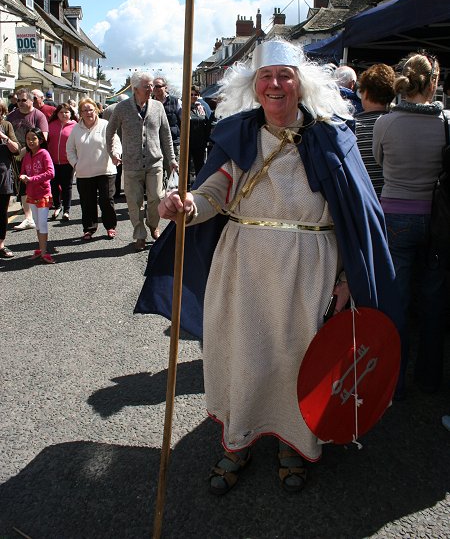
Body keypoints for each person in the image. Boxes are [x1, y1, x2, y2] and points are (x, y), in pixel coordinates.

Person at [136, 39, 399, 495]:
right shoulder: (237, 134)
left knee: (298, 361)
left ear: (301, 83)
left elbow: (355, 216)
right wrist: (186, 206)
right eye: (266, 77)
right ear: (254, 86)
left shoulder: (332, 136)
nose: (275, 84)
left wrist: (345, 279)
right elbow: (215, 192)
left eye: (284, 75)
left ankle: (294, 444)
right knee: (242, 356)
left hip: (309, 269)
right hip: (243, 265)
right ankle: (238, 440)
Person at [373, 52, 448, 398]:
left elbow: (379, 160)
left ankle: (394, 381)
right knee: (434, 301)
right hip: (435, 219)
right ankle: (430, 378)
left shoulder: (385, 123)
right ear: (433, 82)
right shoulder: (445, 123)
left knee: (398, 301)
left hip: (394, 216)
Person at [106, 71, 177, 252]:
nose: (151, 89)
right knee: (134, 202)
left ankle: (153, 225)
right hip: (131, 164)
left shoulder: (158, 107)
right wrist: (113, 152)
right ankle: (139, 234)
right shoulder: (121, 108)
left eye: (152, 85)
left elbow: (166, 135)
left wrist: (172, 159)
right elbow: (110, 131)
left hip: (155, 162)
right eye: (147, 86)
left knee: (156, 198)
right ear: (135, 88)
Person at [66, 98, 121, 240]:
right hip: (84, 173)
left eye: (91, 109)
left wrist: (115, 155)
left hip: (105, 170)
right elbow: (70, 150)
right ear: (80, 113)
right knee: (87, 202)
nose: (88, 112)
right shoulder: (76, 130)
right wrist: (76, 164)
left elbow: (115, 142)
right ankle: (89, 229)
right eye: (84, 110)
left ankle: (110, 226)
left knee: (106, 200)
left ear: (96, 110)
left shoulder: (105, 125)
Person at [7, 88, 48, 230]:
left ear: (31, 100)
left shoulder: (38, 116)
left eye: (24, 100)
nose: (20, 103)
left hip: (33, 156)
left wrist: (23, 151)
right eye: (18, 100)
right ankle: (28, 217)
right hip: (15, 157)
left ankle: (37, 215)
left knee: (34, 186)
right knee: (22, 188)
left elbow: (43, 137)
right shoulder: (11, 116)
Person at [355, 64, 395, 197]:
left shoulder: (351, 126)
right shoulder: (395, 124)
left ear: (365, 93)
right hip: (389, 200)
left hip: (362, 199)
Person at [19, 127, 55, 264]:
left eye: (34, 138)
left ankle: (45, 253)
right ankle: (41, 249)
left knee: (43, 223)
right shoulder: (27, 156)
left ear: (40, 140)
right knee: (37, 225)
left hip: (43, 194)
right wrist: (22, 176)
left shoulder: (44, 153)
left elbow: (51, 173)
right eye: (28, 139)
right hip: (31, 194)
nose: (30, 141)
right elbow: (23, 171)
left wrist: (31, 179)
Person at [47, 103, 77, 221]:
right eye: (61, 112)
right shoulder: (51, 125)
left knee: (67, 186)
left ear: (71, 114)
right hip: (52, 161)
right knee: (54, 185)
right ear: (57, 113)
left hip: (67, 162)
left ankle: (66, 210)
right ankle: (57, 206)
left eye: (66, 112)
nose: (64, 114)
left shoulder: (75, 126)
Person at [0, 100, 20, 258]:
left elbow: (16, 149)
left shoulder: (6, 126)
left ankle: (1, 244)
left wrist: (3, 137)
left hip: (3, 174)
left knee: (2, 212)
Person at [152, 76, 182, 163]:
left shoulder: (176, 102)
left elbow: (184, 121)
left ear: (165, 87)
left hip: (173, 143)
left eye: (158, 86)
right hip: (155, 144)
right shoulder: (149, 102)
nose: (155, 88)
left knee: (174, 172)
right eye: (153, 86)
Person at [102, 96, 127, 199]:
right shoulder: (126, 108)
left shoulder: (108, 109)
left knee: (115, 167)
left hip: (112, 141)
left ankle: (114, 191)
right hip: (125, 141)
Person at [188, 85, 212, 186]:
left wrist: (207, 139)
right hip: (187, 143)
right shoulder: (183, 107)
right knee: (186, 167)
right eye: (191, 94)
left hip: (200, 143)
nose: (193, 96)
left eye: (196, 94)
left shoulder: (203, 107)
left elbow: (209, 122)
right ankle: (186, 188)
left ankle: (199, 187)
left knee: (200, 166)